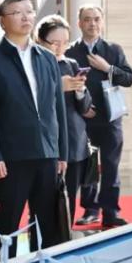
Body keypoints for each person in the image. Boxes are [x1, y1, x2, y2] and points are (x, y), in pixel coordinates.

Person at [0, 0, 68, 257]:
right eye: (17, 13)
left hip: (47, 153)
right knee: (8, 223)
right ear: (2, 21)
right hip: (11, 157)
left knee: (47, 225)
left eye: (29, 11)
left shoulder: (46, 58)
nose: (25, 17)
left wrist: (62, 153)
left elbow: (58, 108)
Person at [65, 4, 132, 228]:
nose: (92, 24)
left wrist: (108, 69)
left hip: (110, 118)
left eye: (96, 19)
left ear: (102, 22)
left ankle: (111, 212)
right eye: (87, 19)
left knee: (110, 166)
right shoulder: (70, 52)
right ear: (79, 23)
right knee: (89, 167)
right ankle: (91, 210)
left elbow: (129, 78)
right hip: (82, 119)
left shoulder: (113, 50)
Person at [36, 14, 92, 224]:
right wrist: (58, 87)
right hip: (46, 141)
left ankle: (65, 235)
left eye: (65, 42)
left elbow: (85, 107)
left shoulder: (71, 64)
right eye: (55, 43)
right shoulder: (35, 65)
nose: (60, 48)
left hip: (73, 139)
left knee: (68, 199)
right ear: (40, 41)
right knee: (43, 199)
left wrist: (79, 90)